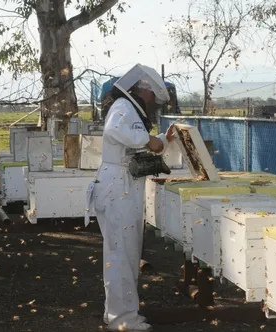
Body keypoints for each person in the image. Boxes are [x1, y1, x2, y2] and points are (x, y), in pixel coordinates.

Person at [84, 64, 176, 332]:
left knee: (125, 252)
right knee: (121, 253)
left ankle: (117, 313)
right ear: (143, 90)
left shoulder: (128, 109)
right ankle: (122, 319)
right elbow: (116, 131)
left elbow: (133, 144)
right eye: (152, 98)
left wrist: (162, 140)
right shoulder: (123, 107)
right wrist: (149, 140)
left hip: (122, 185)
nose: (152, 104)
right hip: (117, 187)